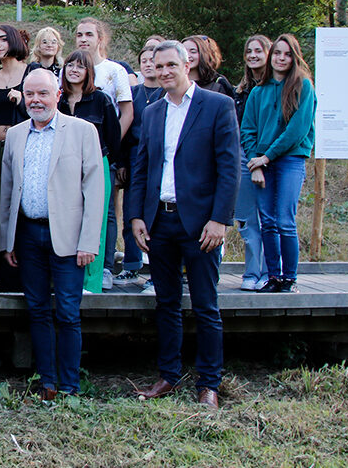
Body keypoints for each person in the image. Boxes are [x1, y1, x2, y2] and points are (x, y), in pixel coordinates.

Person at [127, 40, 239, 410]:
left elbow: (228, 168)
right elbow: (142, 167)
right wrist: (137, 216)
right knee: (167, 303)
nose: (163, 73)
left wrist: (220, 220)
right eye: (158, 68)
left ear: (187, 64)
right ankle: (169, 375)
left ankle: (209, 383)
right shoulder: (154, 112)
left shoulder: (218, 106)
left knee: (206, 305)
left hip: (201, 224)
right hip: (160, 220)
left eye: (170, 66)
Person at [0, 70, 104, 400]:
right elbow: (6, 191)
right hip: (28, 236)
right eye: (30, 94)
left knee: (68, 313)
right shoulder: (15, 135)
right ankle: (48, 382)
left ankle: (70, 386)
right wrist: (7, 240)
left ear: (57, 95)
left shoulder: (83, 131)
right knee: (38, 310)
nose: (36, 100)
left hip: (69, 239)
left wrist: (89, 242)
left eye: (43, 93)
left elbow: (95, 190)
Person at [241, 33, 315, 293]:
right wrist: (256, 163)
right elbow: (247, 130)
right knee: (267, 221)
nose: (281, 58)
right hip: (262, 163)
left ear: (294, 58)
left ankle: (289, 278)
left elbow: (297, 130)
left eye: (287, 54)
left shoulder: (303, 87)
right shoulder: (258, 92)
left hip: (289, 160)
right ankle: (272, 276)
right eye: (277, 54)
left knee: (285, 220)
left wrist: (267, 156)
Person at [0, 25, 41, 291]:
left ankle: (22, 268)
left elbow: (49, 111)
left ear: (14, 41)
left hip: (24, 149)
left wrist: (24, 100)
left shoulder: (33, 73)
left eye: (3, 39)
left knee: (19, 206)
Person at [75, 17, 133, 289]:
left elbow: (127, 112)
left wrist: (109, 147)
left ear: (101, 39)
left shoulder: (114, 71)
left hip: (104, 153)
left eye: (88, 34)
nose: (83, 39)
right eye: (79, 34)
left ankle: (107, 266)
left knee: (107, 211)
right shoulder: (73, 67)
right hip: (75, 159)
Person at [58, 50, 121, 292]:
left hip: (97, 164)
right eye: (70, 65)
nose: (74, 70)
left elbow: (114, 138)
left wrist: (111, 165)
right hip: (64, 166)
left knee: (98, 218)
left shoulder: (100, 100)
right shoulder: (59, 99)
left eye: (80, 66)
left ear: (89, 72)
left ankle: (92, 281)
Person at [120, 38, 168, 290]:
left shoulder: (167, 94)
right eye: (144, 61)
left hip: (160, 163)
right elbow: (126, 131)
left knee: (156, 217)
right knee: (132, 212)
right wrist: (122, 163)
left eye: (153, 60)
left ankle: (155, 271)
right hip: (134, 159)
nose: (148, 65)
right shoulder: (133, 94)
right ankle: (130, 265)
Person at [233, 34, 271, 291]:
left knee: (269, 217)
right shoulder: (241, 90)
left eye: (259, 50)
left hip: (269, 156)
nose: (253, 55)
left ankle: (268, 272)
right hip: (243, 157)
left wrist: (261, 160)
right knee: (245, 219)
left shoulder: (276, 87)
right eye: (249, 51)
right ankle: (251, 271)